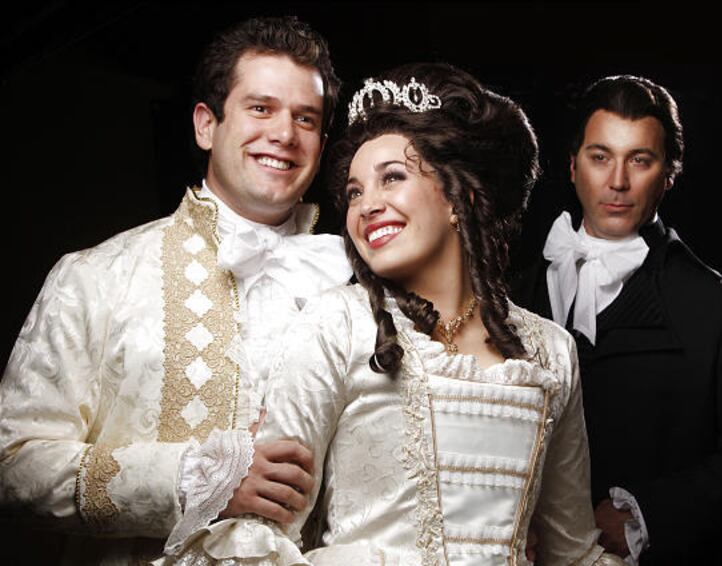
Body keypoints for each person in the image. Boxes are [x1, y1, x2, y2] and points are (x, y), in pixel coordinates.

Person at [163, 62, 625, 566]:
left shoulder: (552, 350)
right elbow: (264, 531)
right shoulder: (336, 324)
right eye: (355, 191)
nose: (366, 206)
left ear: (460, 195)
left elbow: (573, 551)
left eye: (392, 179)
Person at [0, 16, 352, 563]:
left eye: (304, 118)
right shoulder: (96, 275)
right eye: (260, 108)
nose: (284, 134)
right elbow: (12, 464)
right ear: (206, 125)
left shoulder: (357, 291)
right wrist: (197, 480)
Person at [512, 75, 722, 565]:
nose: (617, 181)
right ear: (572, 165)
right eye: (600, 157)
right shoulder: (509, 295)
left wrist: (647, 514)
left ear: (669, 173)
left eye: (640, 160)